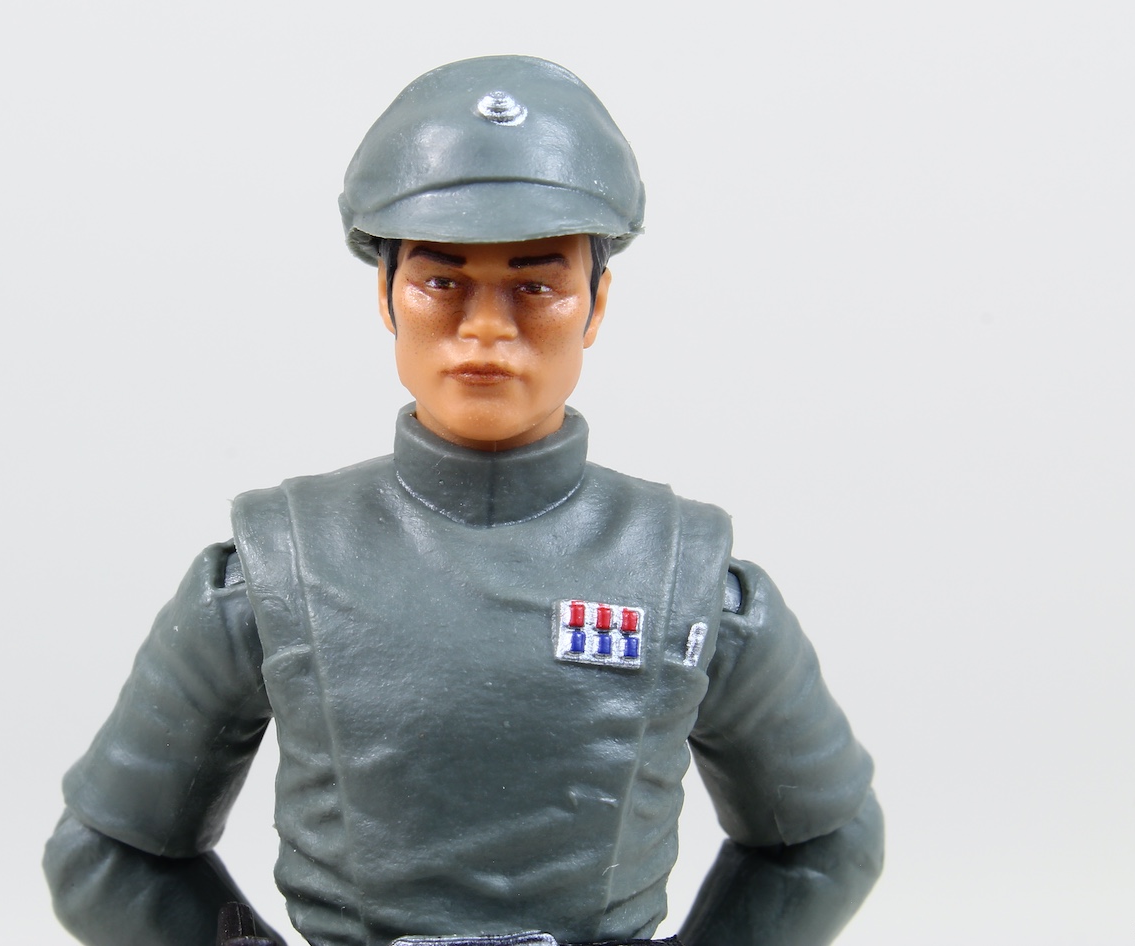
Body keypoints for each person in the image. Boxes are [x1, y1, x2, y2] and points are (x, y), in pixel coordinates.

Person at [44, 56, 883, 946]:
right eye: (441, 283)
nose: (486, 329)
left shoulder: (688, 582)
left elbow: (826, 840)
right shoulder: (275, 572)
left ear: (597, 304)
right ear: (385, 295)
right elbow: (106, 853)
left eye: (537, 286)